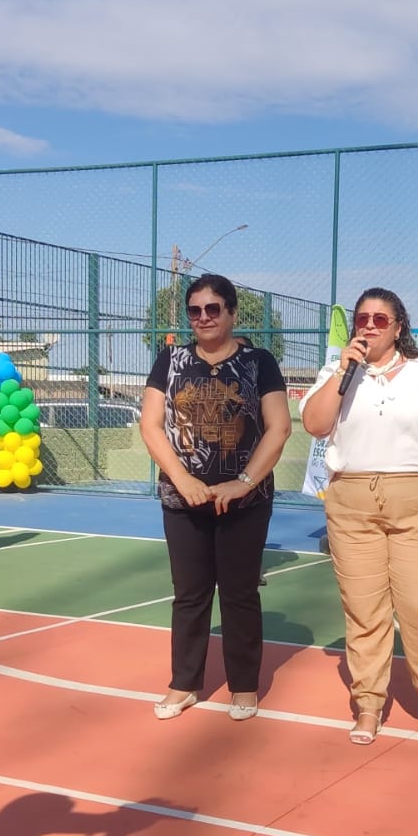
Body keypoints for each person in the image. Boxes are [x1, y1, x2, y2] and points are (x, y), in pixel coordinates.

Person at [300, 287, 418, 746]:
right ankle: (369, 703)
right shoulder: (337, 372)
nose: (370, 326)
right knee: (363, 610)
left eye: (380, 319)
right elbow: (315, 424)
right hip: (352, 503)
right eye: (363, 319)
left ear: (398, 328)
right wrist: (343, 370)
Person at [140, 274, 291, 721]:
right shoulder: (170, 359)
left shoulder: (259, 362)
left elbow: (279, 428)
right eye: (195, 310)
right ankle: (184, 683)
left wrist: (243, 482)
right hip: (184, 501)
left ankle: (244, 686)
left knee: (240, 594)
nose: (203, 317)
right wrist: (183, 480)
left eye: (212, 308)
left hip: (245, 502)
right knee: (189, 594)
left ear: (231, 313)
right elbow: (151, 425)